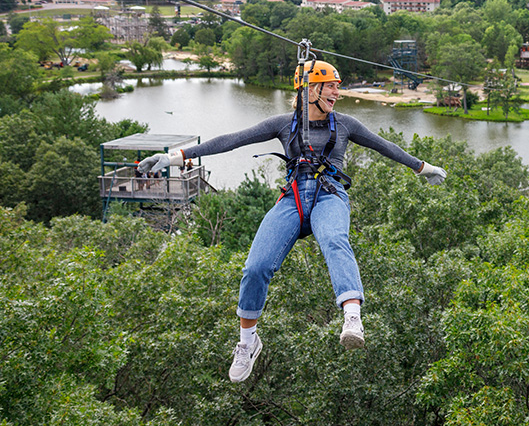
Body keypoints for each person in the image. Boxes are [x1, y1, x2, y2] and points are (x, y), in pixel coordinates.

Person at [136, 60, 447, 381]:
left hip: (330, 193)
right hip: (294, 197)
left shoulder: (347, 125)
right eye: (332, 87)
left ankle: (352, 318)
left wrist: (423, 167)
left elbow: (386, 146)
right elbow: (231, 139)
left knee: (335, 241)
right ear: (311, 90)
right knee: (256, 266)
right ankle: (247, 342)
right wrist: (176, 157)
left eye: (338, 87)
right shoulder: (285, 124)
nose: (337, 93)